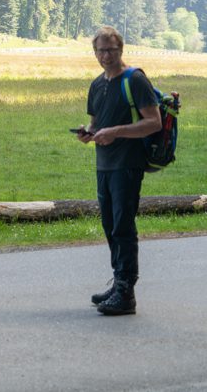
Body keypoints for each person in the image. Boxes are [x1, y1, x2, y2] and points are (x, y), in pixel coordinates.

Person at [77, 26, 161, 316]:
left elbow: (154, 122)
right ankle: (118, 282)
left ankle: (126, 292)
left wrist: (116, 132)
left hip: (128, 162)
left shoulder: (134, 80)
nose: (105, 55)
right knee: (110, 225)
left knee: (123, 226)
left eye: (111, 49)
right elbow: (95, 122)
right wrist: (89, 133)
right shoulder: (97, 84)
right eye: (100, 50)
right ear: (94, 52)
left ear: (121, 49)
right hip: (104, 163)